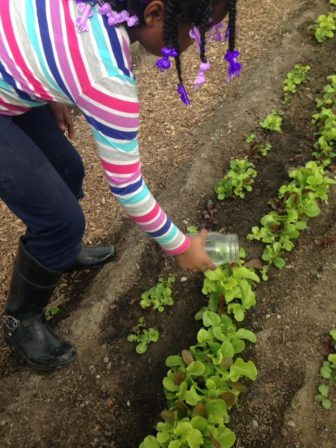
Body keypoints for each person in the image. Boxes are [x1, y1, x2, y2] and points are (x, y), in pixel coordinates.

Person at [0, 0, 240, 370]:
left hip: (11, 76)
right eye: (196, 29)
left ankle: (58, 253)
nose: (196, 42)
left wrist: (47, 89)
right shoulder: (106, 76)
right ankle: (21, 320)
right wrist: (181, 246)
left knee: (68, 171)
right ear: (155, 14)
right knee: (61, 220)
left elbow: (39, 32)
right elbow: (128, 188)